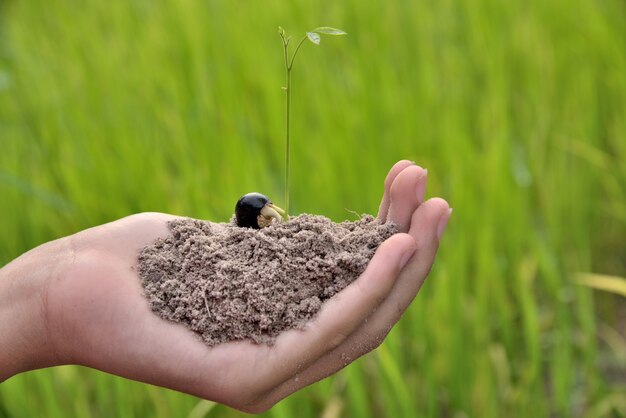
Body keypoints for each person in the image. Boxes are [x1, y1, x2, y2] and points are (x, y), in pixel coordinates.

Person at [0, 161, 450, 413]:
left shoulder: (268, 232)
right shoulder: (191, 259)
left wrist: (43, 296)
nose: (273, 216)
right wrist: (46, 299)